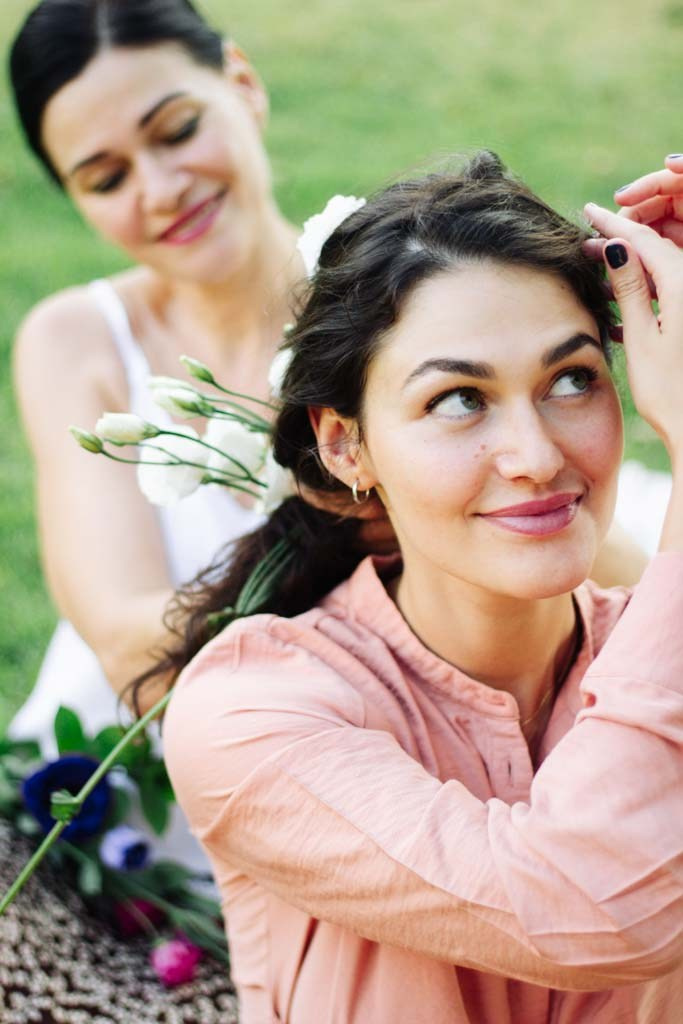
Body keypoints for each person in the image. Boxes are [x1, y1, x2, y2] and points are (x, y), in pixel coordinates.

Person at [162, 152, 683, 1023]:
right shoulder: (254, 707)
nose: (537, 456)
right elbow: (597, 905)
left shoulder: (652, 642)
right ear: (345, 446)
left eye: (571, 380)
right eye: (457, 400)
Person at [6, 0, 305, 868]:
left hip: (378, 788)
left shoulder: (395, 304)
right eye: (106, 179)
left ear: (241, 85)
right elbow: (128, 638)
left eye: (176, 130)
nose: (161, 189)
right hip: (118, 805)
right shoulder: (79, 340)